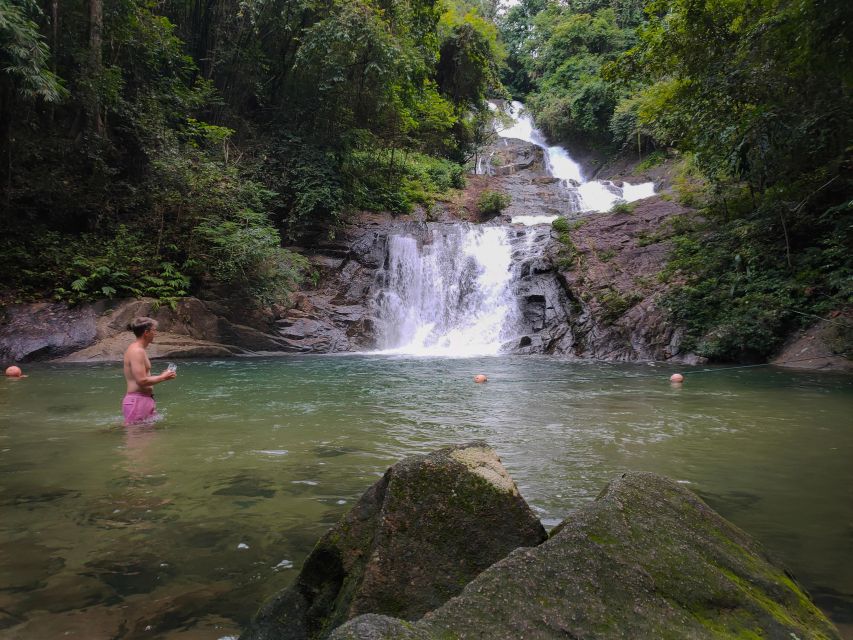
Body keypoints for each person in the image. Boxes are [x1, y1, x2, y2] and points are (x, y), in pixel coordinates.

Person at [122, 317, 177, 426]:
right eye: (154, 330)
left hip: (143, 400)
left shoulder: (140, 350)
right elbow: (141, 381)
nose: (155, 333)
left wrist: (163, 375)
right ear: (146, 333)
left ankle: (107, 432)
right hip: (137, 401)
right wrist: (163, 377)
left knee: (146, 437)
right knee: (137, 439)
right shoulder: (137, 351)